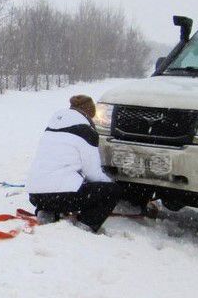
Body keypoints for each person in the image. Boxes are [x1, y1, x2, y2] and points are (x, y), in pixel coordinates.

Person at [26, 95, 126, 233]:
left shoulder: (52, 126)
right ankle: (85, 225)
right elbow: (93, 173)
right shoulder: (87, 132)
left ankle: (47, 211)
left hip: (35, 194)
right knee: (112, 192)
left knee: (65, 185)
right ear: (89, 114)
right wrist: (110, 181)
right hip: (61, 195)